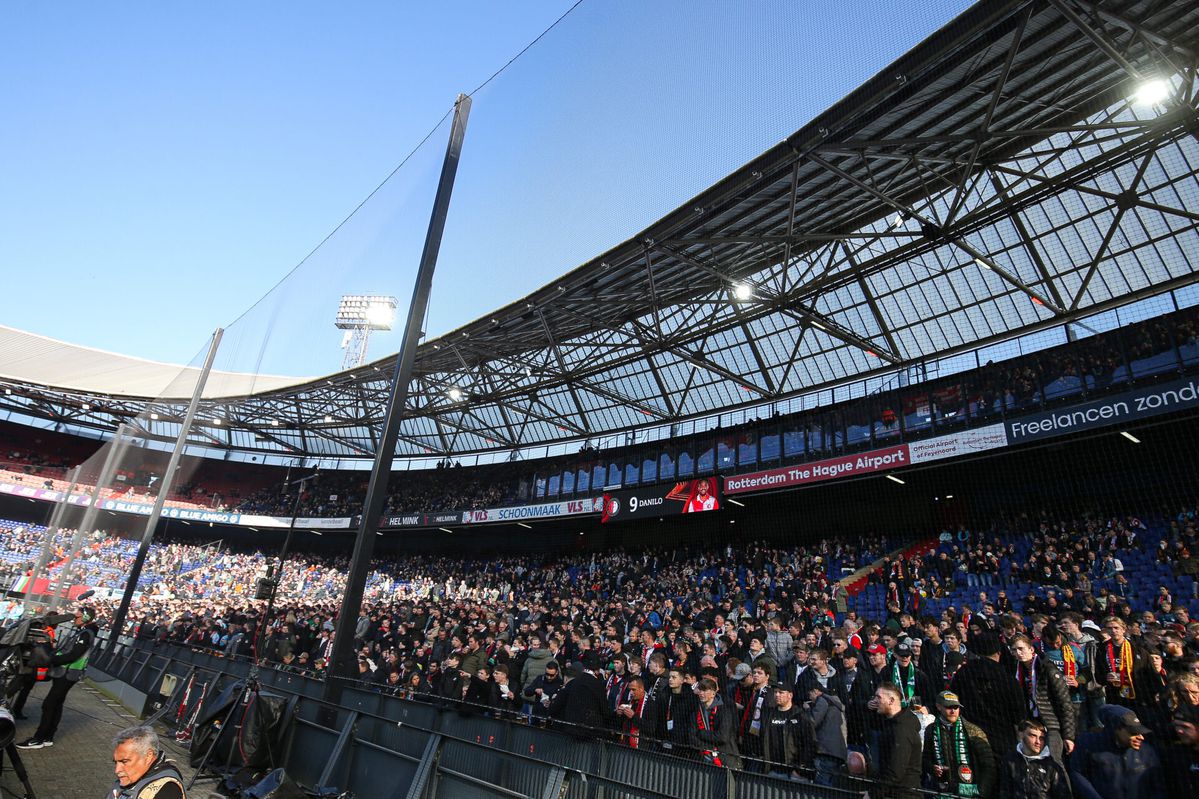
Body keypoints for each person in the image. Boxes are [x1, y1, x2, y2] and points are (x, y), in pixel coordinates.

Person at [17, 605, 98, 749]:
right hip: (65, 673)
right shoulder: (83, 632)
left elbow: (74, 655)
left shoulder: (86, 634)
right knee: (56, 704)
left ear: (85, 618)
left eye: (77, 616)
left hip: (67, 673)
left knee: (48, 704)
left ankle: (38, 739)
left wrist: (50, 660)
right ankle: (48, 737)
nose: (74, 619)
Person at [951, 632, 1026, 766]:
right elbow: (1019, 714)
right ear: (998, 653)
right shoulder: (1007, 679)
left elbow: (952, 701)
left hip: (969, 737)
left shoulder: (963, 673)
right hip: (1002, 739)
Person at [1069, 705, 1164, 799]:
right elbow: (1077, 773)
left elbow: (1158, 787)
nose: (1141, 737)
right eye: (1133, 733)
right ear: (1117, 729)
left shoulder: (1147, 752)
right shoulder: (1089, 744)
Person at [1008, 634, 1075, 768]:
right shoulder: (1016, 670)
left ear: (1031, 649)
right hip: (1030, 723)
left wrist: (1069, 736)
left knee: (1055, 764)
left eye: (1021, 649)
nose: (1018, 653)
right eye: (1014, 650)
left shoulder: (1047, 668)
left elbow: (1065, 702)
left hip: (1051, 724)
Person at [923, 690, 996, 798]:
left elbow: (988, 766)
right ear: (938, 707)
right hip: (941, 792)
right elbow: (925, 759)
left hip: (970, 793)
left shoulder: (973, 731)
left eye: (956, 707)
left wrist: (982, 793)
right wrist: (932, 768)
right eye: (949, 707)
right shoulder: (930, 730)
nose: (953, 711)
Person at [871, 682, 922, 798]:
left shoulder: (901, 729)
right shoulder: (891, 725)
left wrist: (873, 794)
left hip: (903, 794)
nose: (874, 701)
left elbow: (895, 770)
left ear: (891, 700)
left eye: (878, 697)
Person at [998, 719, 1070, 799]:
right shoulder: (1010, 761)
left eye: (1041, 738)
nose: (1038, 742)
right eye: (1033, 736)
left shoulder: (1052, 767)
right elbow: (1004, 793)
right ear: (1021, 735)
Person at [110, 725, 186, 799]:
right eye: (116, 762)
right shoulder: (132, 778)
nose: (117, 770)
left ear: (148, 756)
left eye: (124, 761)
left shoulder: (167, 790)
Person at [692, 677, 741, 769]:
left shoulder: (724, 710)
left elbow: (723, 736)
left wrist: (701, 733)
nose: (701, 693)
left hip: (726, 759)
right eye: (700, 690)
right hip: (703, 758)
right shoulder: (696, 711)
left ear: (713, 693)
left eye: (705, 690)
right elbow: (692, 735)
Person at [804, 682, 847, 786]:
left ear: (816, 691)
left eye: (810, 695)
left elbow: (813, 722)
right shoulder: (835, 704)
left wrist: (808, 709)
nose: (810, 698)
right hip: (838, 752)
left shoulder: (822, 700)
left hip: (825, 750)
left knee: (822, 785)